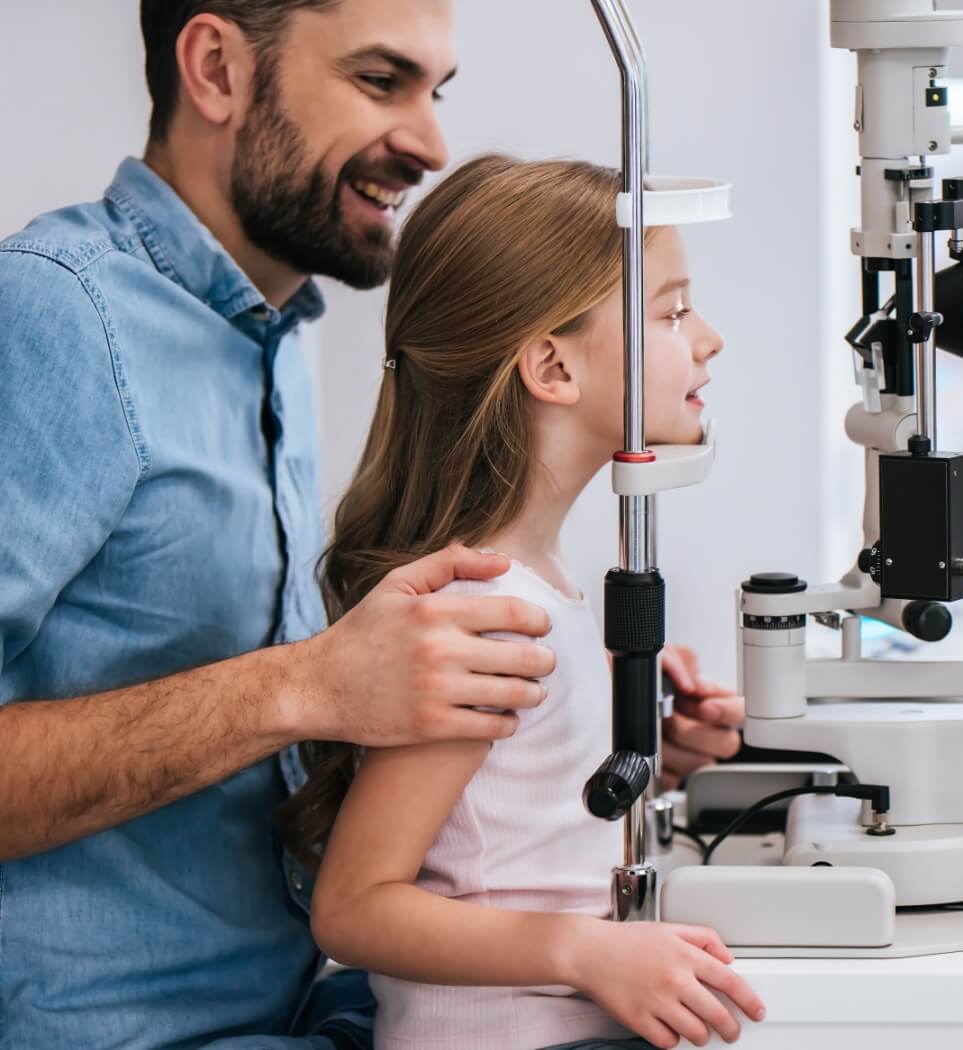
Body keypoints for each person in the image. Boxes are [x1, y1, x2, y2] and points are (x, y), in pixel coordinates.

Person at [0, 3, 741, 1047]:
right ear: (216, 68)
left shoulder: (261, 345)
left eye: (435, 92)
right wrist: (305, 686)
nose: (431, 144)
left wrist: (597, 744)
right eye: (379, 81)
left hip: (305, 1007)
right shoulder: (55, 317)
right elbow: (328, 759)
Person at [290, 154, 765, 1050]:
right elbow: (355, 908)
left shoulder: (534, 579)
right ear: (551, 365)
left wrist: (650, 755)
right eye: (670, 311)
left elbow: (506, 833)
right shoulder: (486, 612)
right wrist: (584, 952)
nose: (708, 337)